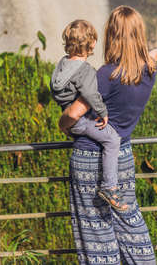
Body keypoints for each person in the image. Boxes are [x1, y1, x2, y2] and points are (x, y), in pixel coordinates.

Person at [59, 6, 157, 265]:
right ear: (140, 35)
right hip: (123, 157)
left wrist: (63, 124)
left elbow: (74, 112)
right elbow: (148, 58)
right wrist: (154, 53)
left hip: (89, 160)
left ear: (111, 36)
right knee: (129, 222)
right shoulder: (149, 71)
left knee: (97, 232)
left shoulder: (105, 75)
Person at [50, 19, 126, 211]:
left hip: (69, 117)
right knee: (112, 140)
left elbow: (56, 88)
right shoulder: (85, 71)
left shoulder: (63, 63)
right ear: (92, 44)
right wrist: (102, 112)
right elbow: (91, 94)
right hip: (81, 121)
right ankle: (110, 187)